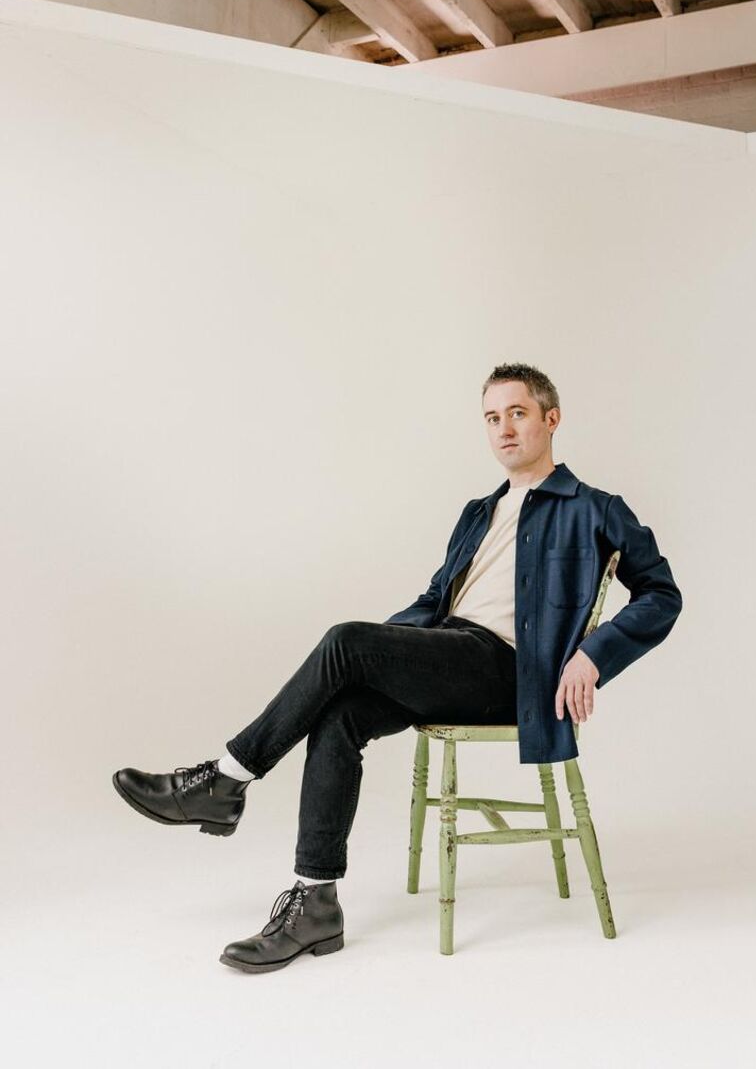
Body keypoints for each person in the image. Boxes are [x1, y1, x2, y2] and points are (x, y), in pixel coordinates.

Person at [113, 362, 683, 973]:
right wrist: (379, 655)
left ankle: (224, 781)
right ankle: (315, 904)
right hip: (450, 654)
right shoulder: (477, 512)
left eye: (517, 413)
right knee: (339, 711)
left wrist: (592, 656)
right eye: (493, 418)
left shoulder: (594, 508)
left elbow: (661, 594)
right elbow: (436, 601)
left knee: (344, 641)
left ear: (551, 418)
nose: (504, 429)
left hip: (511, 672)